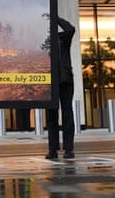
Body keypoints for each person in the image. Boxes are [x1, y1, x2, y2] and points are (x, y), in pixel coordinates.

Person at [46, 17, 76, 159]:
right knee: (52, 117)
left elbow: (71, 28)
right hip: (51, 82)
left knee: (67, 115)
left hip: (65, 80)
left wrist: (56, 18)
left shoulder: (63, 38)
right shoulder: (45, 43)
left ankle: (69, 149)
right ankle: (53, 150)